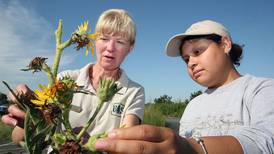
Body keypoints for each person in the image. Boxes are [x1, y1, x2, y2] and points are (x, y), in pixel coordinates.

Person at [92, 20, 274, 154]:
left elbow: (266, 140)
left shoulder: (261, 89)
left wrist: (192, 148)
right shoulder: (193, 105)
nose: (191, 62)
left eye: (197, 51)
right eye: (186, 59)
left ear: (225, 45)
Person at [1, 9, 145, 144]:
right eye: (104, 38)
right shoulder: (66, 79)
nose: (110, 48)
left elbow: (126, 141)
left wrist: (92, 146)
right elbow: (17, 139)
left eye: (120, 42)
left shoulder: (134, 92)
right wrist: (30, 117)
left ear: (130, 48)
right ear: (94, 40)